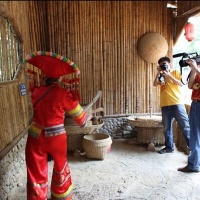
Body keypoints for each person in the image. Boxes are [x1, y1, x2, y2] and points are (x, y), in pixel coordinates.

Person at [25, 74, 89, 199]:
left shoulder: (36, 91)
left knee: (35, 172)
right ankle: (60, 195)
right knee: (60, 168)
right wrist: (85, 118)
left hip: (35, 136)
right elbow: (82, 120)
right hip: (56, 138)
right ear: (59, 78)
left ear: (43, 77)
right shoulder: (63, 93)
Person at [153, 56, 190, 154]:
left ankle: (193, 149)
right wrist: (158, 72)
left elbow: (181, 84)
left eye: (165, 64)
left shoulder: (175, 72)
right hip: (165, 104)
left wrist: (169, 75)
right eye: (161, 65)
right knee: (166, 128)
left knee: (185, 126)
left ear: (169, 64)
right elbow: (155, 84)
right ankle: (169, 147)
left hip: (177, 103)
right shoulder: (161, 75)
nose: (163, 66)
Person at [178, 58, 200, 173]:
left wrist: (196, 68)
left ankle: (193, 165)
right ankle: (195, 163)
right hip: (196, 104)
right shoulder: (197, 72)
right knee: (195, 135)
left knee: (195, 136)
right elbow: (190, 85)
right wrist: (193, 69)